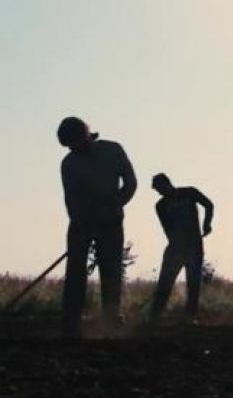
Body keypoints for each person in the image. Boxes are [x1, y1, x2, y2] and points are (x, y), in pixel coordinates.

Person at [58, 117, 137, 337]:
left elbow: (130, 183)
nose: (73, 149)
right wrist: (81, 219)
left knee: (111, 270)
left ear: (86, 136)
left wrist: (114, 205)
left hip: (111, 222)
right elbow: (70, 199)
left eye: (75, 143)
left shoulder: (113, 151)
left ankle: (111, 319)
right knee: (75, 270)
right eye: (69, 146)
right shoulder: (69, 164)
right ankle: (71, 322)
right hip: (81, 223)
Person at [149, 173, 214, 323]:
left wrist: (206, 224)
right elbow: (167, 230)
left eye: (159, 188)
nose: (159, 192)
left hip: (194, 247)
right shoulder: (160, 206)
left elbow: (209, 205)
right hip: (175, 249)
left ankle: (189, 318)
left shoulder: (189, 193)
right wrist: (177, 245)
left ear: (167, 183)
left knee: (193, 284)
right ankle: (153, 318)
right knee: (164, 283)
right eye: (157, 190)